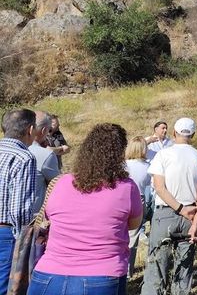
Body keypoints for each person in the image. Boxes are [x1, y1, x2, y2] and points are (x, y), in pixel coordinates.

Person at [28, 123, 143, 295]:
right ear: (119, 154)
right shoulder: (126, 187)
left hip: (48, 274)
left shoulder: (60, 182)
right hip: (100, 275)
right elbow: (134, 224)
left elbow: (50, 217)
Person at [141, 118, 197, 295]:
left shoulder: (164, 155)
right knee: (184, 269)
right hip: (191, 215)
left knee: (157, 268)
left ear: (174, 133)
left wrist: (179, 208)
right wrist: (195, 222)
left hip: (165, 214)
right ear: (193, 135)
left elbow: (159, 187)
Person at [0, 109, 37, 294]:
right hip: (6, 232)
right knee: (4, 285)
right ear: (30, 129)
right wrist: (22, 237)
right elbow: (20, 209)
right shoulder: (24, 157)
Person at [125, 136, 151, 278]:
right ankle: (128, 270)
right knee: (133, 236)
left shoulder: (123, 165)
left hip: (121, 198)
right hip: (139, 198)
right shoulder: (148, 166)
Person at [29, 111, 60, 212]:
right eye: (49, 130)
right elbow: (57, 186)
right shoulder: (46, 155)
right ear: (43, 130)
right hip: (33, 219)